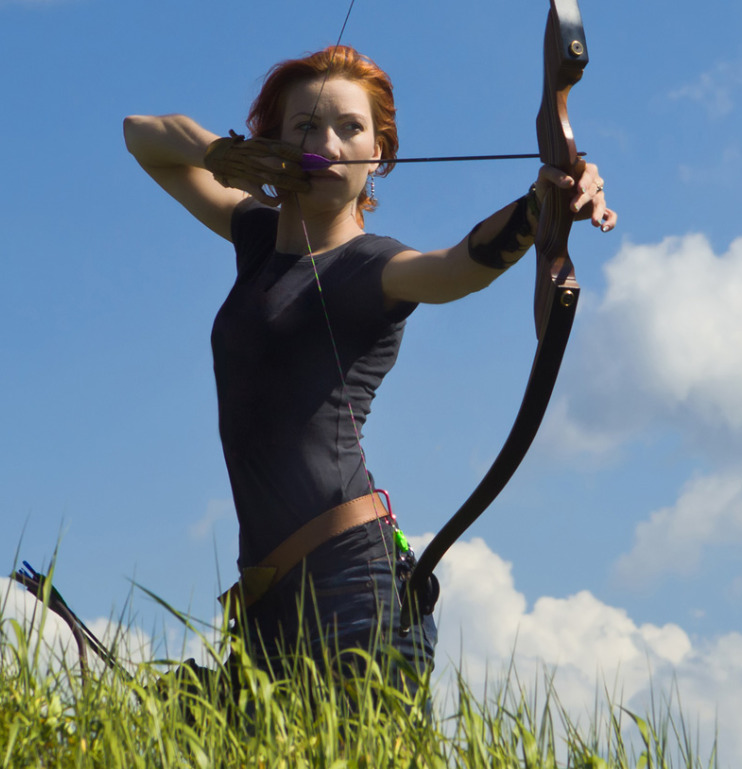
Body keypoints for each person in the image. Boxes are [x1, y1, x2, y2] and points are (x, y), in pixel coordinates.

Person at [122, 45, 615, 686]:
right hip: (269, 602)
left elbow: (457, 266)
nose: (326, 143)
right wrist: (220, 152)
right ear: (273, 143)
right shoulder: (254, 238)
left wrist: (540, 207)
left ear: (379, 153)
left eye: (350, 128)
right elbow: (141, 137)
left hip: (354, 589)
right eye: (304, 126)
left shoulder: (377, 267)